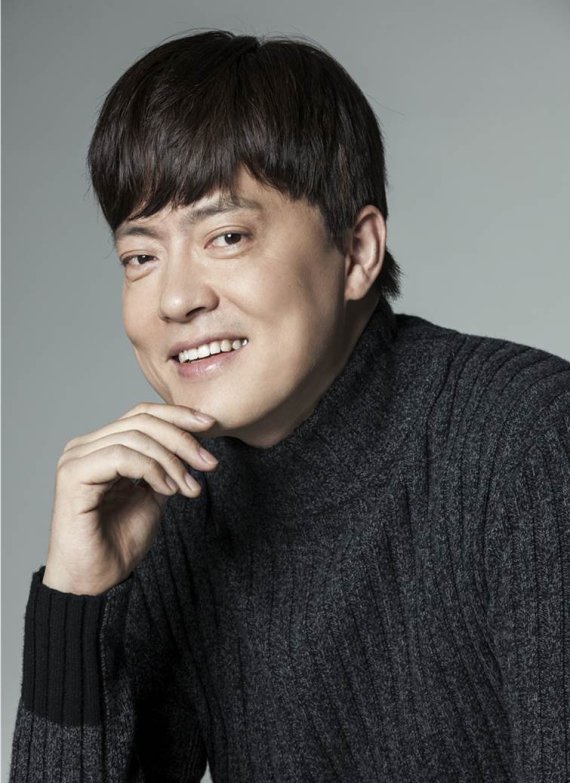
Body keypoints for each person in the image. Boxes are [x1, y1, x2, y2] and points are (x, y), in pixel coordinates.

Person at [9, 28, 570, 783]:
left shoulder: (530, 444)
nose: (175, 299)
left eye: (226, 236)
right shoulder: (174, 503)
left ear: (358, 251)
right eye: (140, 256)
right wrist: (77, 603)